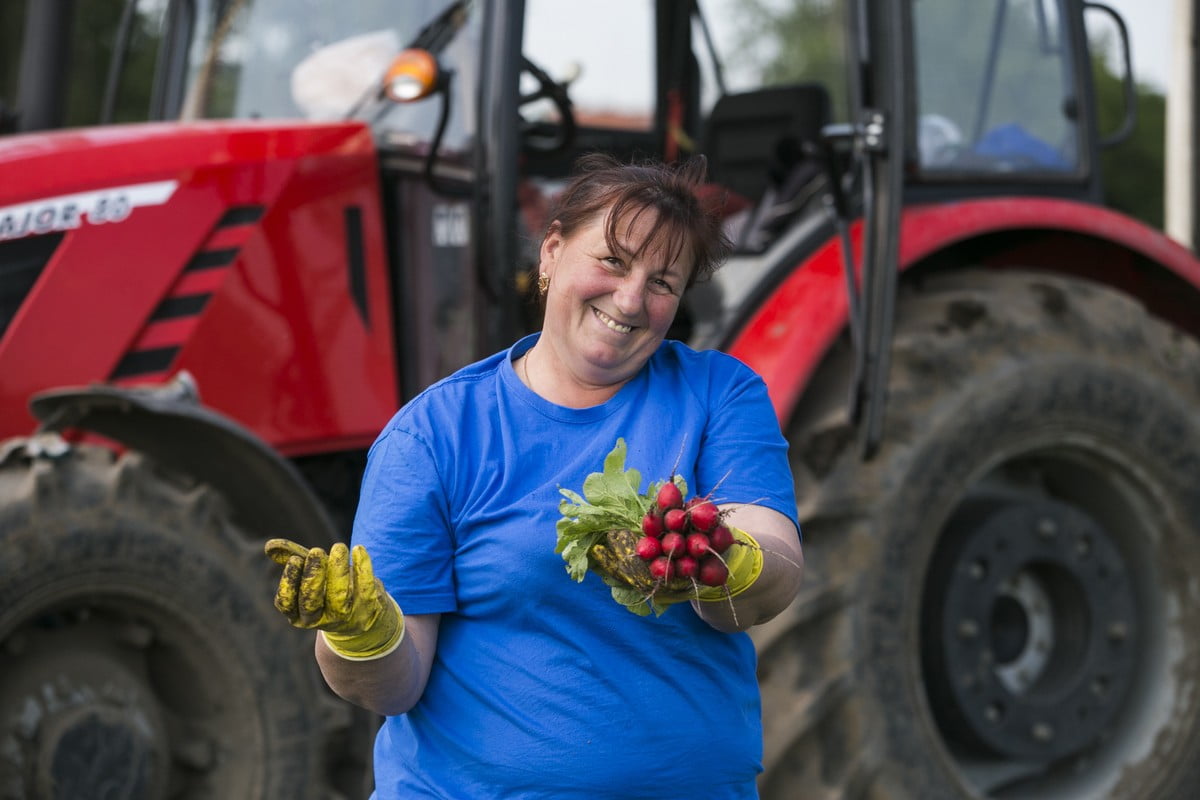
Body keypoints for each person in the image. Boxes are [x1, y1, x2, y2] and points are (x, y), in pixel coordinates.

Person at [266, 153, 804, 799]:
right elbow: (395, 687)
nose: (631, 298)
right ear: (551, 253)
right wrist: (359, 635)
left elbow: (770, 566)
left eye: (663, 282)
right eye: (612, 260)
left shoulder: (719, 393)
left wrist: (720, 560)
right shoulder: (436, 434)